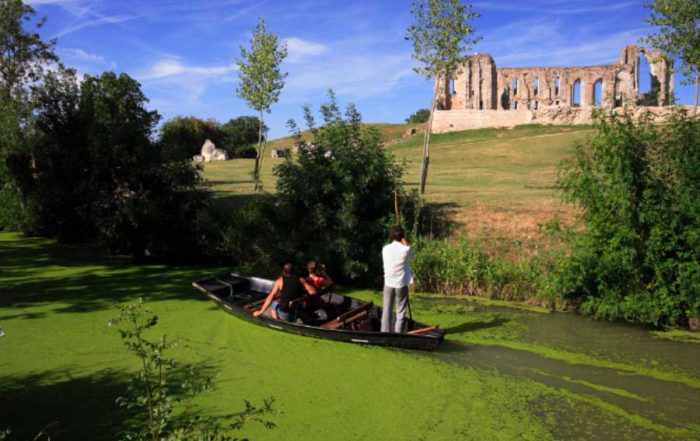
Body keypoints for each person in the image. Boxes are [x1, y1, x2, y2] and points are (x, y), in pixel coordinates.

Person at [381, 225, 414, 333]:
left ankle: (384, 332)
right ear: (402, 236)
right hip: (400, 284)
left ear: (391, 236)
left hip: (388, 283)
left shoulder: (385, 249)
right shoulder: (406, 249)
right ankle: (398, 333)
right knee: (400, 311)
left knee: (387, 310)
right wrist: (406, 242)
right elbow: (413, 257)